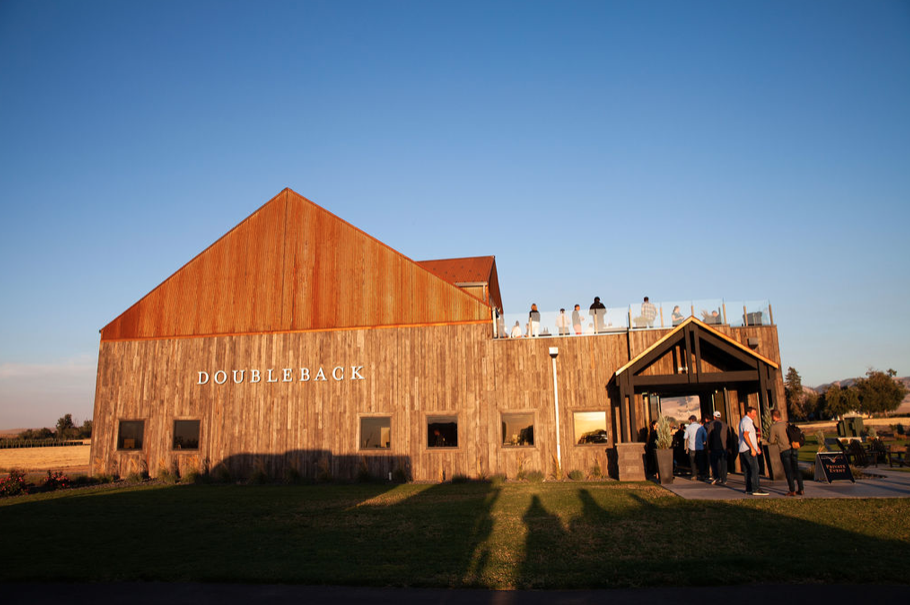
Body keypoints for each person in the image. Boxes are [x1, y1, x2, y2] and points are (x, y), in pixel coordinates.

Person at [769, 409, 804, 496]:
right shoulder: (787, 424)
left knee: (788, 471)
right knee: (796, 469)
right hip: (794, 448)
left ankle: (792, 490)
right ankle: (801, 489)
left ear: (773, 417)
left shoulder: (774, 427)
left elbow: (771, 440)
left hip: (784, 450)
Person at [739, 406, 768, 495]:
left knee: (747, 469)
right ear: (748, 413)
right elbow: (746, 435)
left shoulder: (743, 421)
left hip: (743, 448)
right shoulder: (747, 421)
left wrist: (756, 447)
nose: (755, 415)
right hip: (748, 449)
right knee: (755, 468)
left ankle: (749, 488)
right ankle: (756, 489)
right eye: (753, 413)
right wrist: (752, 448)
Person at [706, 411, 728, 485]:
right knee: (723, 464)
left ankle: (717, 477)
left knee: (714, 463)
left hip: (714, 447)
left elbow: (709, 437)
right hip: (724, 447)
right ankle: (724, 478)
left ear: (714, 417)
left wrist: (708, 447)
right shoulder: (725, 425)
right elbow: (728, 436)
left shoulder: (711, 425)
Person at [684, 416, 706, 480]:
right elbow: (705, 435)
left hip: (692, 446)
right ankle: (702, 475)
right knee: (700, 461)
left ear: (691, 420)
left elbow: (685, 437)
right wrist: (703, 442)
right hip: (700, 446)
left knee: (693, 461)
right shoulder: (701, 427)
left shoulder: (689, 428)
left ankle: (694, 475)